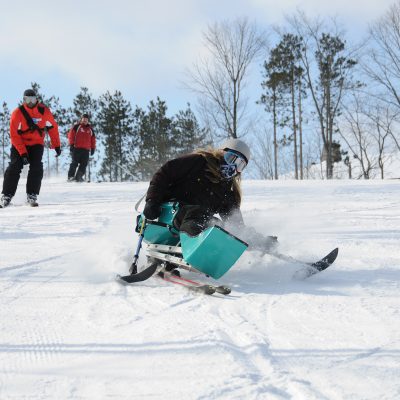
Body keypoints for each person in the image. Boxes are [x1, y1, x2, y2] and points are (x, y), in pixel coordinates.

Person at [142, 138, 277, 252]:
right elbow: (165, 172)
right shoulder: (199, 162)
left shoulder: (226, 191)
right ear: (221, 153)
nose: (234, 167)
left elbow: (235, 226)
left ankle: (202, 254)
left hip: (193, 223)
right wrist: (152, 201)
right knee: (199, 214)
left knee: (220, 228)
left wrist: (255, 239)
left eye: (240, 165)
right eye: (232, 158)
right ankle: (197, 248)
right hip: (168, 213)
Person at [0, 89, 61, 208]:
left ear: (36, 99)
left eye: (33, 99)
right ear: (24, 100)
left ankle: (32, 195)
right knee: (14, 166)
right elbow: (14, 135)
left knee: (36, 166)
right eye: (28, 99)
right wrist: (23, 153)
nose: (30, 102)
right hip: (20, 144)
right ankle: (6, 195)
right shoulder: (17, 113)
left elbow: (53, 128)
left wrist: (57, 145)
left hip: (36, 144)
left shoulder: (44, 111)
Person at [67, 113, 96, 182]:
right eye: (84, 119)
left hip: (86, 150)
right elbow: (71, 136)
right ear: (81, 119)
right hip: (77, 149)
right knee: (74, 163)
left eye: (86, 119)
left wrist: (93, 148)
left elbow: (93, 140)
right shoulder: (76, 127)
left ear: (88, 120)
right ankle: (70, 177)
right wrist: (71, 145)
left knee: (84, 164)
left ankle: (78, 177)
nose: (85, 120)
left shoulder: (90, 129)